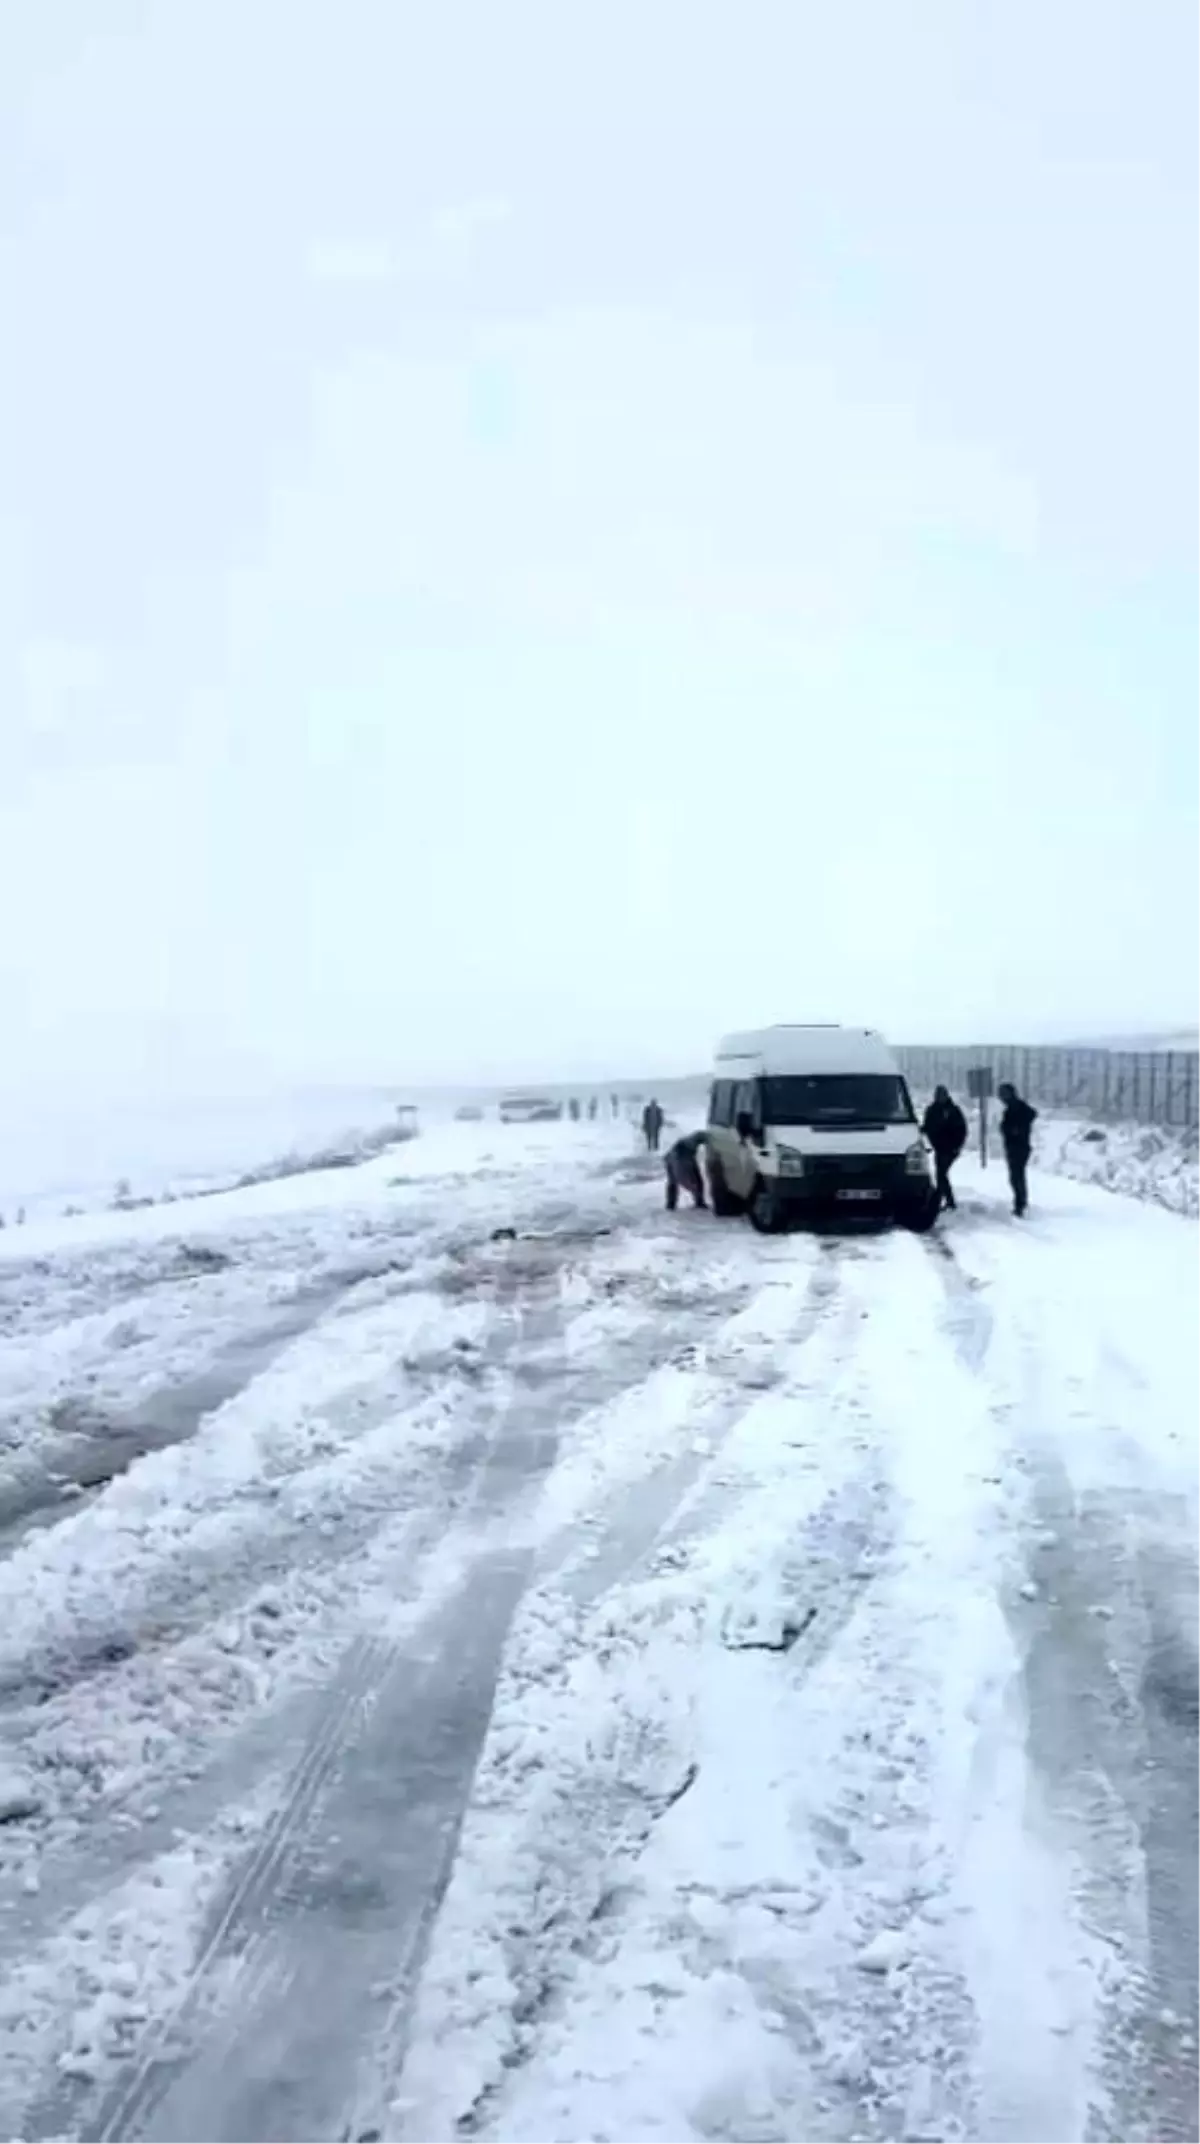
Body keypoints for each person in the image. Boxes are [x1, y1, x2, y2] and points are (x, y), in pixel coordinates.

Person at [921, 1084, 968, 1211]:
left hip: (950, 1148)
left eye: (942, 1095)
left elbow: (962, 1130)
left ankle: (942, 1201)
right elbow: (927, 1126)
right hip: (938, 1147)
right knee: (940, 1174)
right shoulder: (931, 1110)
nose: (939, 1097)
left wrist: (957, 1146)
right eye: (937, 1095)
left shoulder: (953, 1110)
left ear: (946, 1096)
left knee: (941, 1174)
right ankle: (946, 1200)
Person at [998, 1081, 1037, 1217]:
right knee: (1016, 1176)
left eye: (1003, 1094)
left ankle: (1020, 1204)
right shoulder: (1010, 1108)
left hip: (1019, 1146)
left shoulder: (1017, 1107)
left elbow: (1031, 1114)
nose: (1001, 1097)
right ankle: (1021, 1202)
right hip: (1014, 1146)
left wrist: (1017, 1129)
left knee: (1016, 1177)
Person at [665, 1130, 708, 1210]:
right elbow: (682, 1172)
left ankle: (671, 1204)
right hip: (678, 1160)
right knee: (696, 1181)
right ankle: (699, 1201)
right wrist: (691, 1184)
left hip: (671, 1159)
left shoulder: (686, 1142)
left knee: (673, 1182)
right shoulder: (687, 1146)